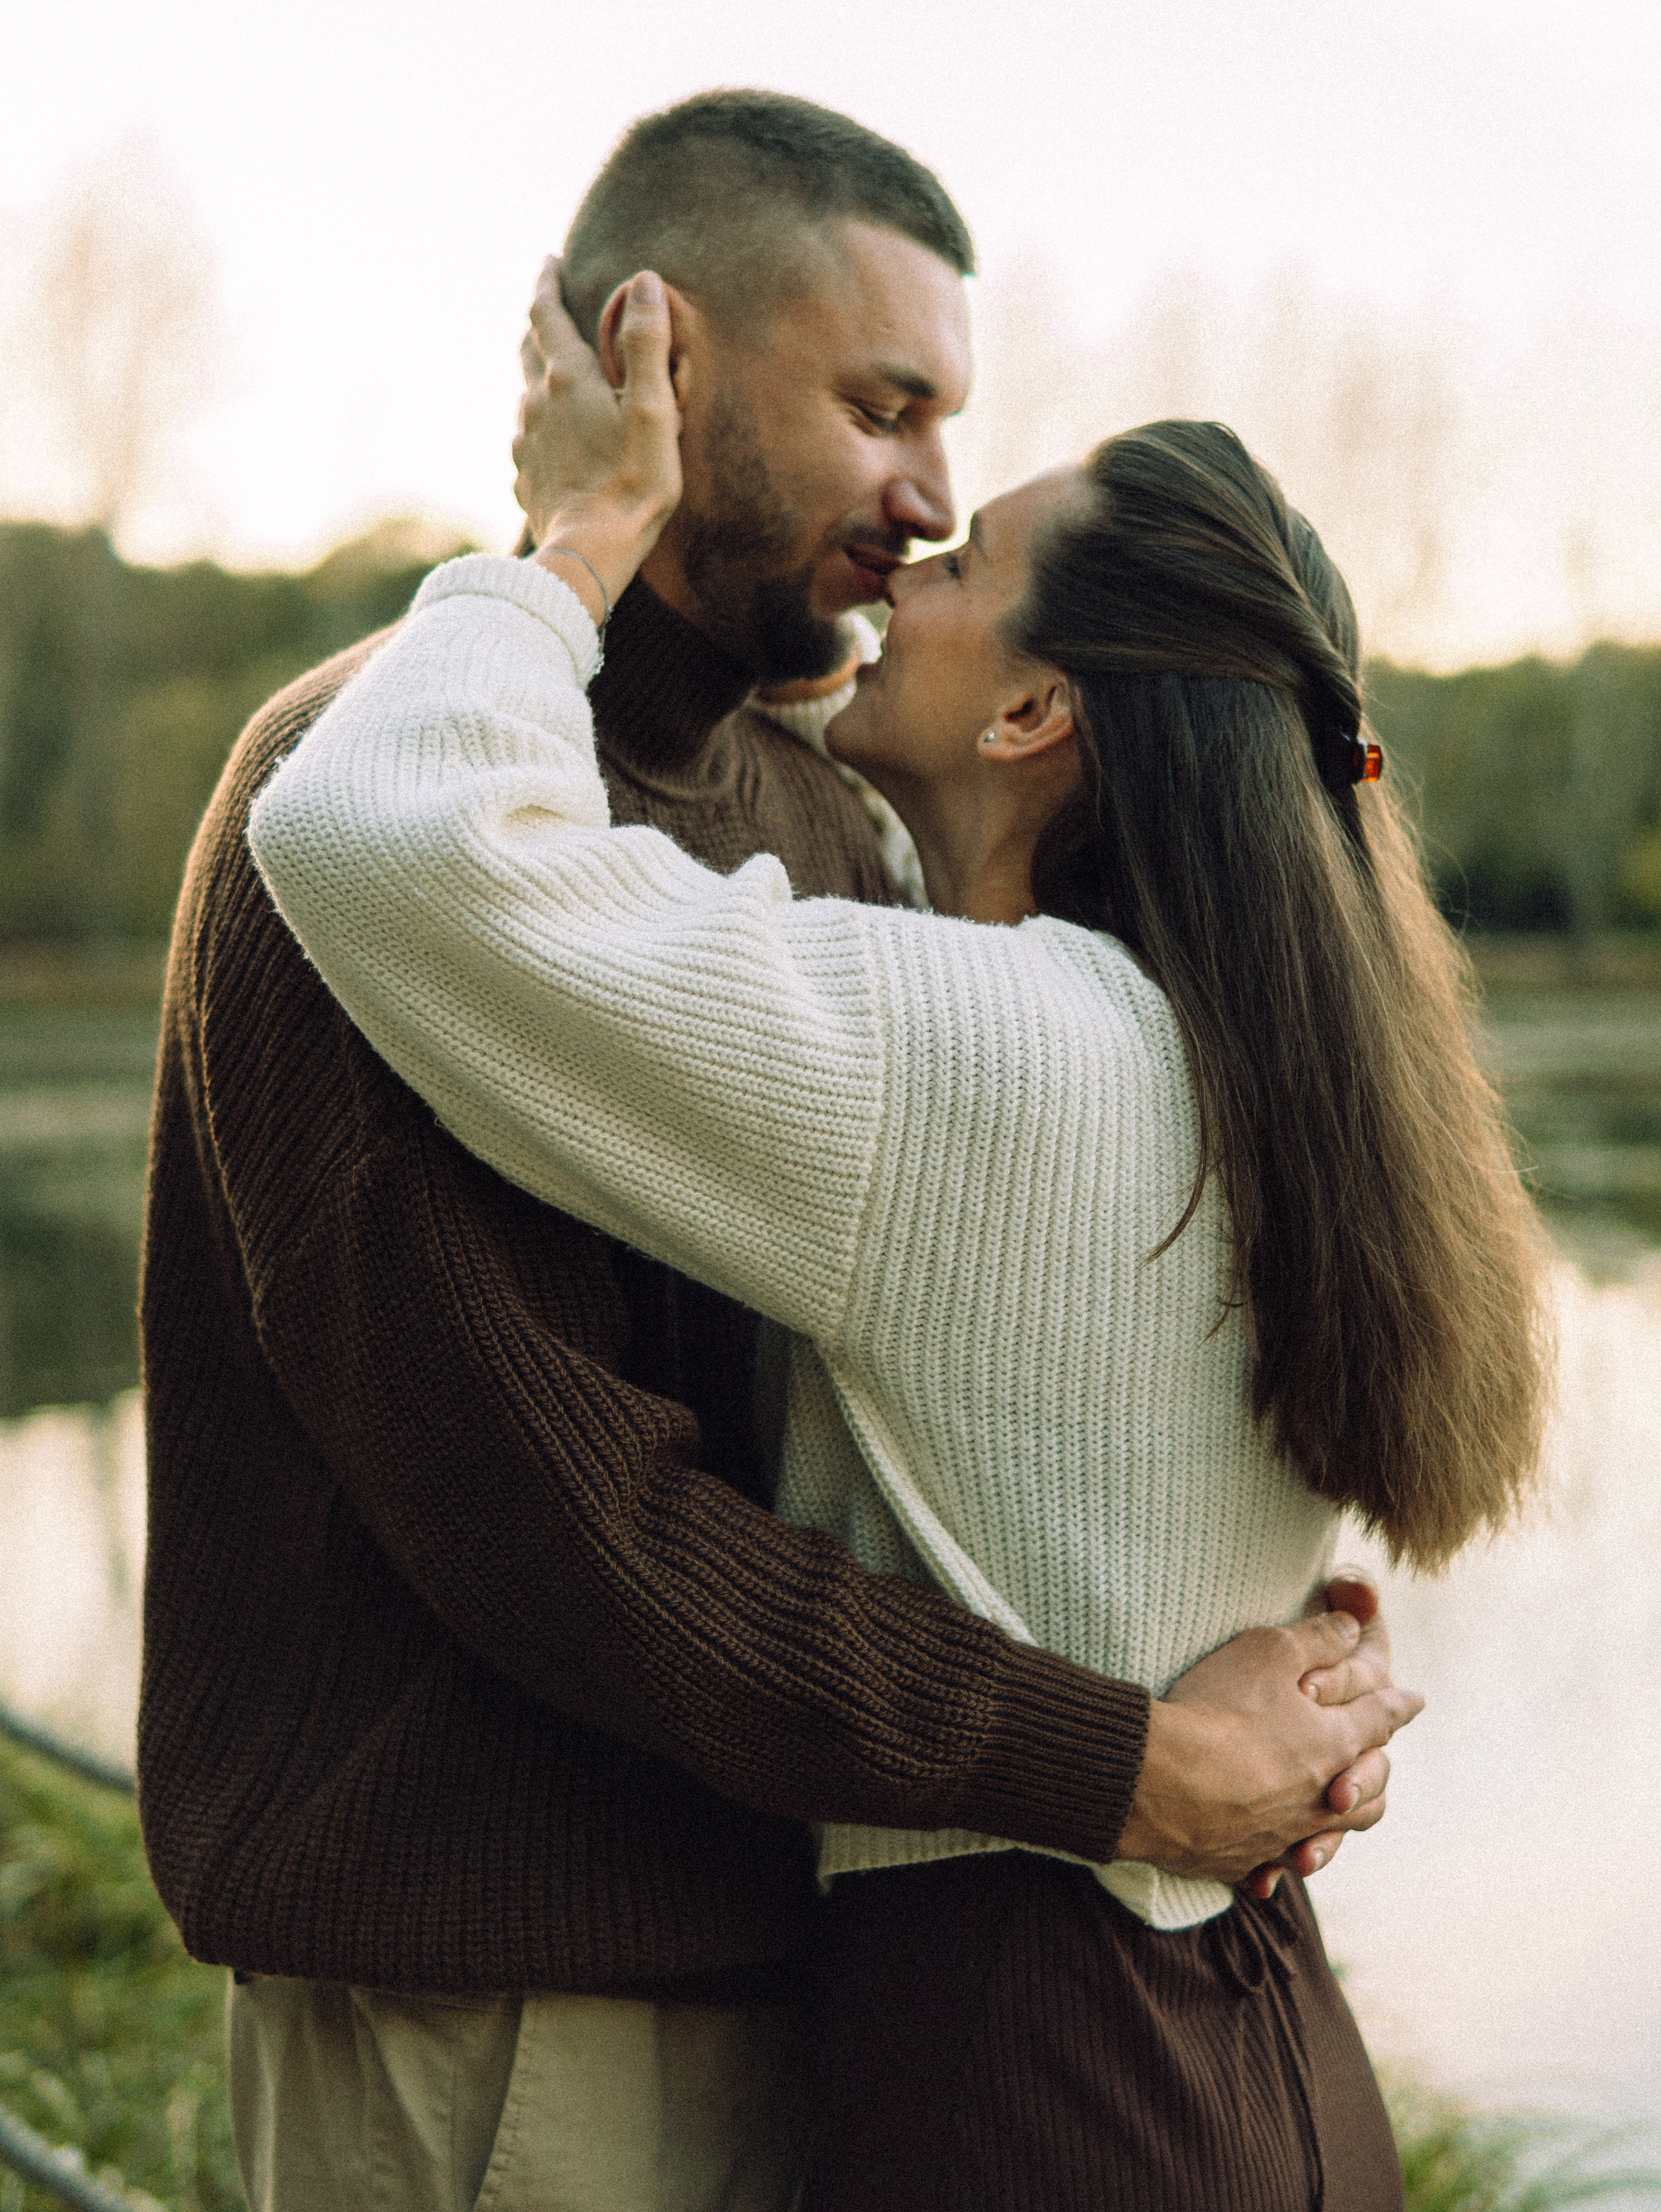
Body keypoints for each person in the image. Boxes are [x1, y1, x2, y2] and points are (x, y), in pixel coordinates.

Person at [144, 92, 1413, 2212]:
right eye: (885, 406)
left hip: (841, 1969)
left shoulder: (833, 821)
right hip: (517, 2007)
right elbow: (580, 1532)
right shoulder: (361, 804)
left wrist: (1253, 1622)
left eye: (956, 431)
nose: (928, 505)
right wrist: (1129, 1755)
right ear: (657, 356)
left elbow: (977, 1373)